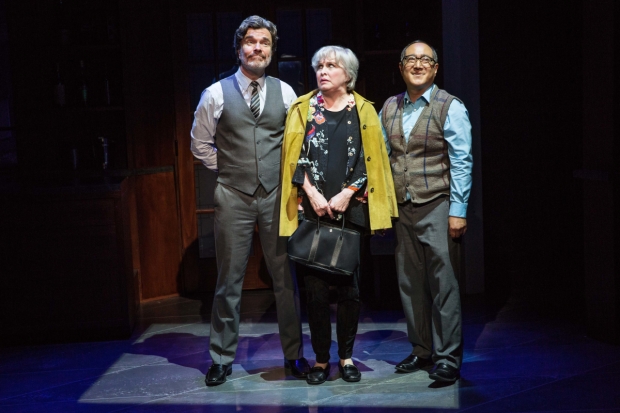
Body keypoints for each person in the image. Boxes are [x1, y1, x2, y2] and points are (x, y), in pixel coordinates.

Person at [190, 15, 308, 387]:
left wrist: (291, 184)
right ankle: (222, 358)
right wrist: (228, 169)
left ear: (271, 50)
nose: (258, 48)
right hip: (233, 196)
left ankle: (294, 354)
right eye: (251, 41)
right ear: (239, 47)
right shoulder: (215, 93)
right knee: (229, 279)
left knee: (284, 279)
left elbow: (296, 145)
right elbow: (199, 144)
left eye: (265, 43)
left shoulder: (286, 93)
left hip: (276, 195)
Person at [280, 46, 398, 385]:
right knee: (315, 291)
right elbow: (293, 156)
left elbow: (372, 158)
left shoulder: (364, 110)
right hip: (312, 209)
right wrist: (312, 194)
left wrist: (348, 192)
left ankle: (346, 357)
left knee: (350, 288)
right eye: (319, 65)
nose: (323, 70)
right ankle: (320, 361)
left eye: (331, 65)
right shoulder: (303, 107)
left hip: (352, 209)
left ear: (349, 74)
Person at [380, 40, 473, 383]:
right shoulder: (389, 106)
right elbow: (380, 156)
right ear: (402, 67)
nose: (418, 65)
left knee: (443, 285)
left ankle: (447, 357)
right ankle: (422, 351)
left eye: (425, 60)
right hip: (402, 209)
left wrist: (458, 210)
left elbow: (462, 161)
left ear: (435, 69)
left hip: (437, 204)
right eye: (411, 60)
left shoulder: (450, 106)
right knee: (410, 284)